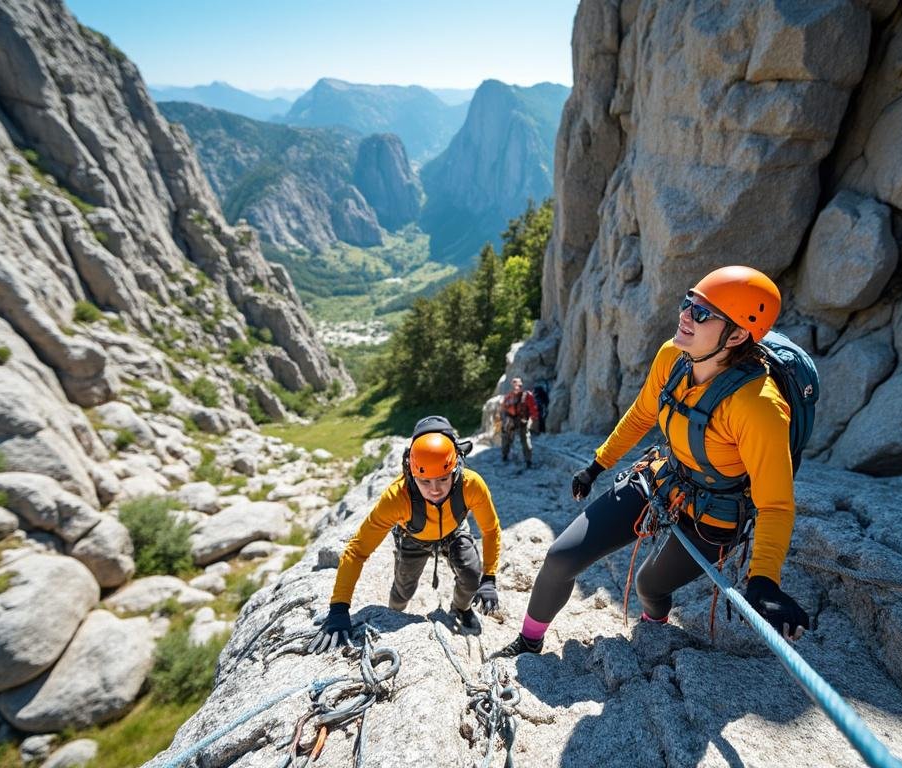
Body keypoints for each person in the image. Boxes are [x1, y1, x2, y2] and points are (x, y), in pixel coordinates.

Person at [495, 266, 809, 657]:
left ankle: (653, 629)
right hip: (663, 477)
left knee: (650, 586)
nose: (685, 315)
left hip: (714, 517)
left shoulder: (758, 406)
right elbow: (644, 413)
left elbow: (775, 504)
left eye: (702, 313)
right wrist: (598, 465)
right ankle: (529, 640)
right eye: (688, 303)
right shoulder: (673, 357)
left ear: (738, 334)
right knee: (561, 557)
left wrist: (764, 580)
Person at [309, 416, 502, 652]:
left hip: (454, 530)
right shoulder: (396, 499)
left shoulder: (471, 485)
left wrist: (489, 578)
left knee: (472, 576)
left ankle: (461, 608)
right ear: (411, 473)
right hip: (413, 537)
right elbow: (357, 550)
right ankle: (394, 613)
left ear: (456, 468)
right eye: (424, 481)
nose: (435, 490)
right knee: (403, 591)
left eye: (443, 478)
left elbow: (491, 529)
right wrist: (339, 607)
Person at [499, 377, 540, 468]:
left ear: (521, 386)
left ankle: (528, 461)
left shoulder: (527, 396)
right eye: (515, 385)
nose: (517, 387)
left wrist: (533, 420)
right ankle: (504, 455)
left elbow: (533, 409)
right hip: (511, 420)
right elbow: (504, 409)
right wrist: (505, 420)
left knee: (525, 439)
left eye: (519, 386)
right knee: (506, 438)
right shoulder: (509, 397)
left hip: (522, 420)